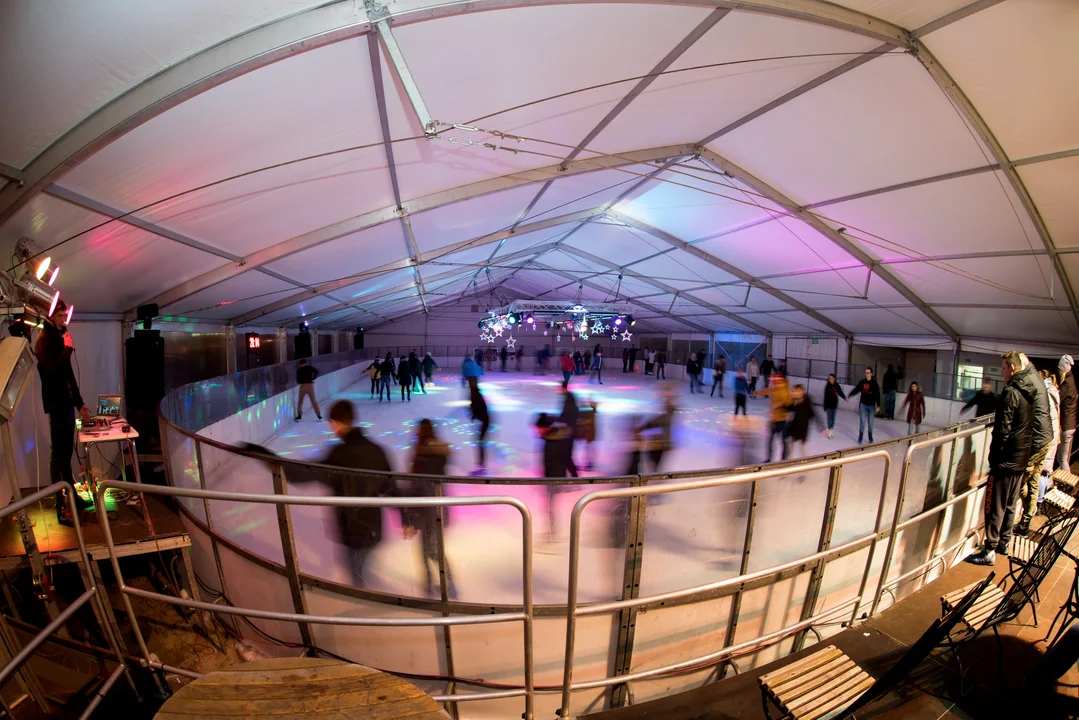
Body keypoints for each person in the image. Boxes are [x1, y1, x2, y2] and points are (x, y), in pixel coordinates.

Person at [289, 400, 394, 586]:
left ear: (334, 423)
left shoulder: (339, 454)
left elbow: (302, 475)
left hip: (353, 530)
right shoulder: (376, 450)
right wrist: (408, 516)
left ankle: (362, 597)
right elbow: (390, 487)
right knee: (361, 567)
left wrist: (269, 459)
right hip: (374, 528)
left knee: (356, 575)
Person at [968, 351, 1036, 566]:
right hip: (1020, 458)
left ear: (1013, 368)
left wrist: (994, 457)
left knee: (994, 506)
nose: (1002, 371)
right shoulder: (1030, 389)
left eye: (1004, 368)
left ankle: (990, 549)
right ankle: (1004, 543)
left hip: (1005, 461)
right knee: (1010, 503)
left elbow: (1002, 429)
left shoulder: (1010, 392)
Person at [34, 323, 91, 525]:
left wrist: (79, 403)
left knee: (66, 455)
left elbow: (68, 375)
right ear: (51, 316)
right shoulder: (43, 342)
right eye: (60, 315)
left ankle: (72, 497)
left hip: (66, 405)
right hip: (57, 406)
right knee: (58, 457)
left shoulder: (59, 341)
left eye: (65, 315)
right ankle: (60, 505)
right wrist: (66, 349)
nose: (64, 319)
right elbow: (50, 372)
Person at [402, 419, 454, 596]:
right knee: (430, 550)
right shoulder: (439, 455)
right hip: (438, 508)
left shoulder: (421, 457)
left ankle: (437, 585)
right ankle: (441, 583)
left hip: (425, 509)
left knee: (429, 551)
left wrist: (409, 517)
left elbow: (415, 487)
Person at [1013, 354, 1053, 536]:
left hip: (1038, 441)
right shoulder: (1036, 376)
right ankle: (1027, 518)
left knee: (1022, 480)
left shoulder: (1028, 379)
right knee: (1034, 480)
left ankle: (1025, 518)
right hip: (1045, 438)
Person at [1021, 369, 1061, 532]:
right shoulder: (1053, 392)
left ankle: (1030, 511)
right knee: (1039, 476)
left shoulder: (1042, 396)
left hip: (1040, 443)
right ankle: (1029, 515)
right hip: (1049, 440)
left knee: (1027, 480)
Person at [758, 371, 792, 462]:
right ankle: (769, 458)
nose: (774, 379)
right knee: (770, 440)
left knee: (782, 440)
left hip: (782, 420)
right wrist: (756, 393)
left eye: (777, 377)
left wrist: (780, 404)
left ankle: (784, 458)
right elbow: (767, 390)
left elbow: (788, 403)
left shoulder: (785, 389)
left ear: (781, 379)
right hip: (774, 419)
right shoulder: (775, 387)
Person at [785, 384, 823, 459]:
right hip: (794, 427)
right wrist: (782, 406)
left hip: (803, 428)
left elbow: (813, 413)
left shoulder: (807, 400)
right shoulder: (794, 400)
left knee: (802, 448)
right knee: (790, 447)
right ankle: (788, 461)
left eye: (797, 391)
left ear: (802, 391)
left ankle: (803, 462)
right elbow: (789, 408)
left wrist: (821, 426)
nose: (795, 393)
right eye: (795, 391)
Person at [849, 367, 881, 444]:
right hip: (863, 405)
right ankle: (860, 436)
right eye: (866, 373)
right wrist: (850, 395)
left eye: (868, 373)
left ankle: (870, 436)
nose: (866, 374)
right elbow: (856, 389)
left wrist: (878, 405)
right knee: (862, 422)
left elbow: (878, 395)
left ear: (871, 374)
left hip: (871, 406)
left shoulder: (874, 383)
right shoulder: (862, 382)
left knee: (870, 423)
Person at [1057, 354, 1077, 473]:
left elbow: (1058, 399)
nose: (1058, 372)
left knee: (1062, 459)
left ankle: (1064, 480)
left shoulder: (1067, 384)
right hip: (1071, 424)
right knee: (1064, 458)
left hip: (1067, 425)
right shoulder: (1071, 380)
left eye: (1059, 369)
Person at [467, 375, 490, 475]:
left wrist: (474, 414)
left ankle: (481, 466)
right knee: (479, 442)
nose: (470, 385)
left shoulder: (476, 394)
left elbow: (482, 408)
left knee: (480, 442)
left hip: (485, 421)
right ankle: (481, 465)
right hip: (483, 420)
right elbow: (475, 406)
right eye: (469, 383)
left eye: (471, 383)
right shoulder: (473, 393)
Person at [822, 374, 846, 438]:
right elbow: (825, 397)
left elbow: (840, 393)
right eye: (829, 378)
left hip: (834, 404)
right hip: (828, 405)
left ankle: (831, 430)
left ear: (834, 379)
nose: (830, 379)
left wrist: (845, 398)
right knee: (829, 418)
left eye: (831, 378)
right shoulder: (827, 386)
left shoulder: (837, 386)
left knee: (833, 418)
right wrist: (825, 406)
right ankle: (829, 430)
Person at [578, 400, 598, 471]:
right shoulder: (593, 412)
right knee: (588, 448)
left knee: (588, 448)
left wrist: (578, 423)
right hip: (590, 433)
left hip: (590, 433)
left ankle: (590, 463)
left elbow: (589, 421)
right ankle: (589, 463)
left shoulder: (592, 413)